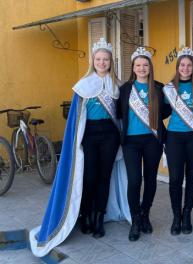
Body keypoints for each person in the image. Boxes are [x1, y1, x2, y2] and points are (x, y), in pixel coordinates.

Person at [29, 38, 130, 257]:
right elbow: (77, 120)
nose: (102, 63)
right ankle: (86, 215)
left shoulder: (118, 86)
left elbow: (122, 117)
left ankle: (99, 219)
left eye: (106, 60)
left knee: (105, 178)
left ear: (111, 62)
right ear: (93, 61)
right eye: (98, 59)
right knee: (90, 178)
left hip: (110, 136)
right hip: (90, 136)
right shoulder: (83, 86)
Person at [117, 47, 171, 241]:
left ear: (150, 67)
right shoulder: (125, 89)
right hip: (131, 142)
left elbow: (165, 111)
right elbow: (119, 112)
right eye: (138, 65)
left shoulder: (158, 87)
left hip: (152, 140)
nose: (142, 68)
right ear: (133, 67)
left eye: (145, 65)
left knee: (150, 179)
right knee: (134, 181)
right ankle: (135, 219)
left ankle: (145, 214)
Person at [163, 47, 193, 236]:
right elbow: (162, 112)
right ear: (178, 66)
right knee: (175, 179)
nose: (186, 68)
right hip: (174, 136)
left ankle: (187, 214)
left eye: (189, 65)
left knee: (192, 177)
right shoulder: (169, 88)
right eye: (183, 64)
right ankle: (176, 216)